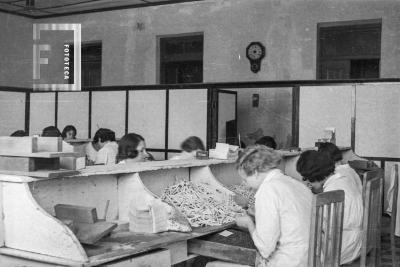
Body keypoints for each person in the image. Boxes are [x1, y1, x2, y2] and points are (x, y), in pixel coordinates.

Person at [208, 145, 312, 267]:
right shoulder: (295, 183)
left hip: (288, 262)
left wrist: (249, 223)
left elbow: (265, 249)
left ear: (256, 172)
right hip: (310, 258)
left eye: (245, 179)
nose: (244, 184)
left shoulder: (267, 190)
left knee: (211, 265)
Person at [296, 150, 363, 264]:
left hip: (341, 247)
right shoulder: (342, 178)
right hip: (356, 240)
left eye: (307, 178)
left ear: (315, 175)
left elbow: (323, 226)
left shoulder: (332, 192)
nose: (308, 182)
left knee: (296, 243)